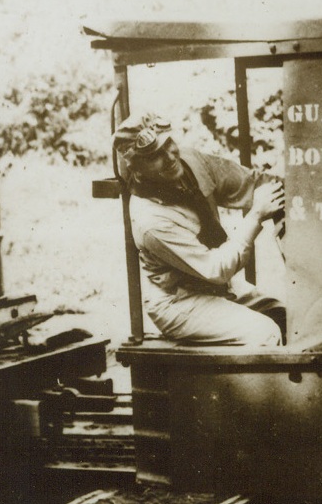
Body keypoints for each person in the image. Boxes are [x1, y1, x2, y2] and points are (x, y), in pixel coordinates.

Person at [113, 112, 286, 346]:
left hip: (217, 287)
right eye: (154, 156)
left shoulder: (189, 162)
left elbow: (251, 183)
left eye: (169, 145)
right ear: (137, 169)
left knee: (287, 320)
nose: (169, 157)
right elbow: (215, 269)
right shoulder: (150, 220)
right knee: (265, 333)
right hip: (180, 301)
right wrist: (256, 215)